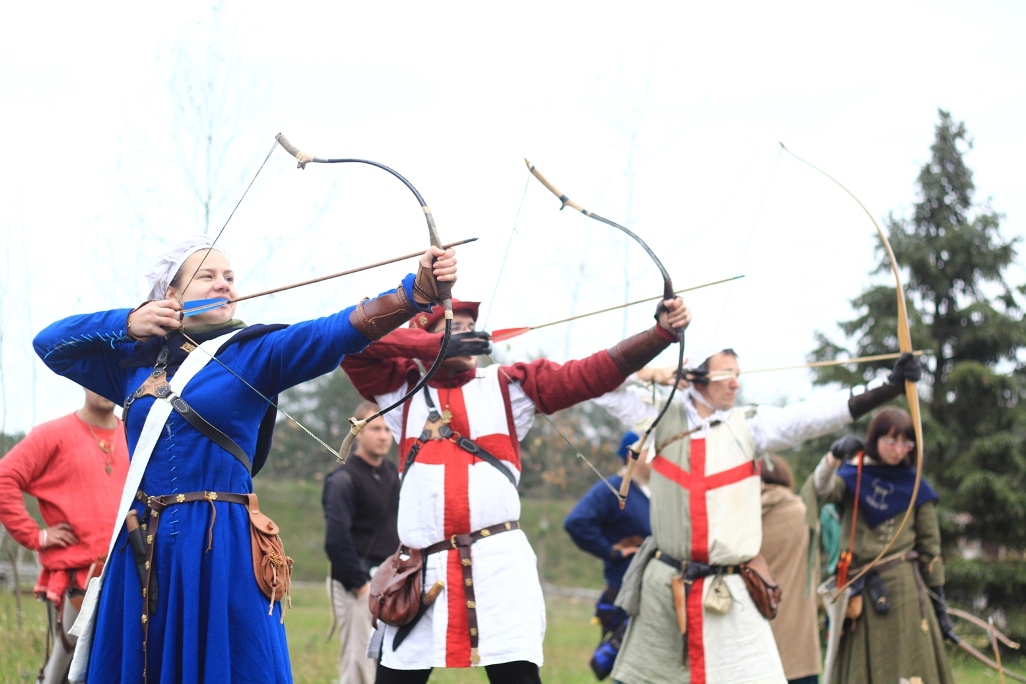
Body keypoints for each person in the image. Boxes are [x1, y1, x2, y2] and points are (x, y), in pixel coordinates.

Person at [32, 234, 457, 684]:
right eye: (208, 276)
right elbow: (49, 343)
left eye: (229, 277)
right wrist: (128, 321)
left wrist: (415, 293)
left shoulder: (256, 351)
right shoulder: (133, 362)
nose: (224, 285)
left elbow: (334, 332)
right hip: (143, 545)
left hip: (221, 544)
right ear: (170, 294)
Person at [340, 295, 691, 683]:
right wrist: (430, 346)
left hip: (498, 568)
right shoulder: (401, 389)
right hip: (422, 573)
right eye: (453, 330)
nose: (466, 335)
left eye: (470, 329)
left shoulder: (509, 385)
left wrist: (659, 335)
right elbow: (351, 343)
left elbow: (590, 374)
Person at [592, 348, 922, 684]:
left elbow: (811, 416)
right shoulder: (660, 415)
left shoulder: (750, 426)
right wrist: (648, 373)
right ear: (696, 377)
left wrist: (889, 385)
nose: (736, 384)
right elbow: (598, 385)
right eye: (726, 374)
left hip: (730, 591)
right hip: (666, 587)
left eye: (738, 374)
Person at [812, 407, 955, 683]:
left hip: (904, 590)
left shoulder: (916, 486)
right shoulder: (852, 477)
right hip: (859, 590)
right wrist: (832, 458)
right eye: (890, 441)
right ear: (874, 439)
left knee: (908, 666)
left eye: (905, 443)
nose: (898, 450)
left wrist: (940, 607)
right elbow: (821, 490)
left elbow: (930, 550)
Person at [0, 389, 130, 684]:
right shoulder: (52, 434)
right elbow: (4, 477)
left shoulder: (133, 435)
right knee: (66, 673)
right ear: (83, 382)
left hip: (126, 575)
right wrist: (37, 537)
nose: (102, 388)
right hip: (77, 580)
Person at [322, 400, 400, 684]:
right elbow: (336, 539)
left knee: (393, 663)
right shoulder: (343, 480)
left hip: (392, 583)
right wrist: (360, 585)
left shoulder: (394, 475)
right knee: (359, 667)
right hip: (357, 584)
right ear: (358, 431)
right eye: (375, 428)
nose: (383, 436)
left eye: (388, 429)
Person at [564, 430, 652, 680]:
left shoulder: (654, 491)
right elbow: (577, 522)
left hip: (653, 589)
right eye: (651, 450)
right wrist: (611, 551)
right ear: (632, 455)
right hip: (624, 591)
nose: (658, 456)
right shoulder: (612, 488)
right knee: (628, 665)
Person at [759, 455, 820, 684]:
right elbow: (813, 572)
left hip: (753, 637)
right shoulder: (803, 514)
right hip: (799, 638)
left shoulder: (740, 518)